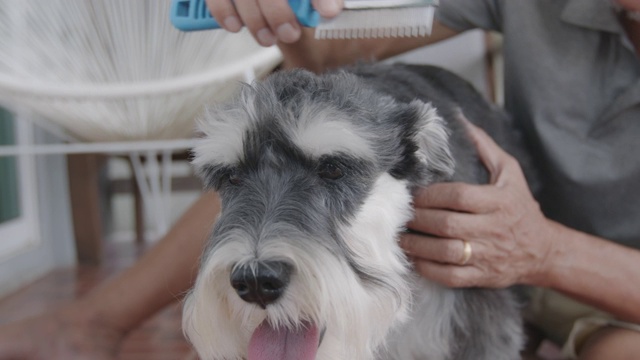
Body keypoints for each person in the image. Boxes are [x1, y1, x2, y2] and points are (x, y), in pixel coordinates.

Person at [0, 0, 639, 359]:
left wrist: (548, 251)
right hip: (518, 224)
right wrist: (279, 11)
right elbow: (332, 57)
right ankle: (95, 323)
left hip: (614, 281)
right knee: (280, 165)